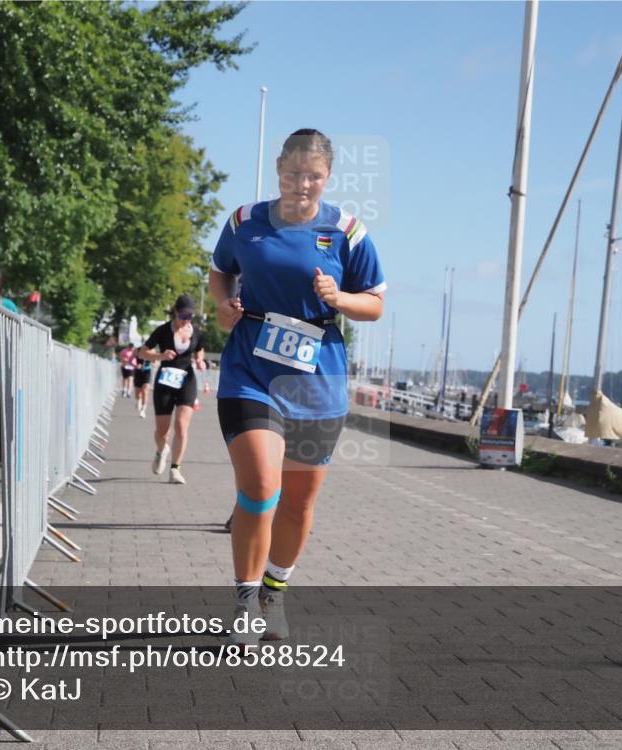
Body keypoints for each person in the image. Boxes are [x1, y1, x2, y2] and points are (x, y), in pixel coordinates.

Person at [208, 129, 385, 648]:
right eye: (293, 172)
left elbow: (373, 303)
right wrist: (223, 304)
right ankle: (243, 601)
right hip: (251, 368)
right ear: (278, 169)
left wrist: (340, 297)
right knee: (262, 486)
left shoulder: (348, 231)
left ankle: (273, 592)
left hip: (317, 376)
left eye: (313, 175)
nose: (301, 183)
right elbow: (220, 274)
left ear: (327, 178)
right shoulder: (245, 222)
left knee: (299, 503)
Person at [139, 294, 206, 484]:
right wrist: (160, 356)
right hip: (165, 382)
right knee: (162, 432)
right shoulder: (162, 331)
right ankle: (162, 450)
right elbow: (142, 352)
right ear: (175, 312)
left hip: (187, 380)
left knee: (182, 426)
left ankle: (175, 469)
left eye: (190, 317)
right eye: (183, 316)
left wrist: (200, 360)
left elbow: (199, 348)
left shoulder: (197, 332)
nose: (186, 320)